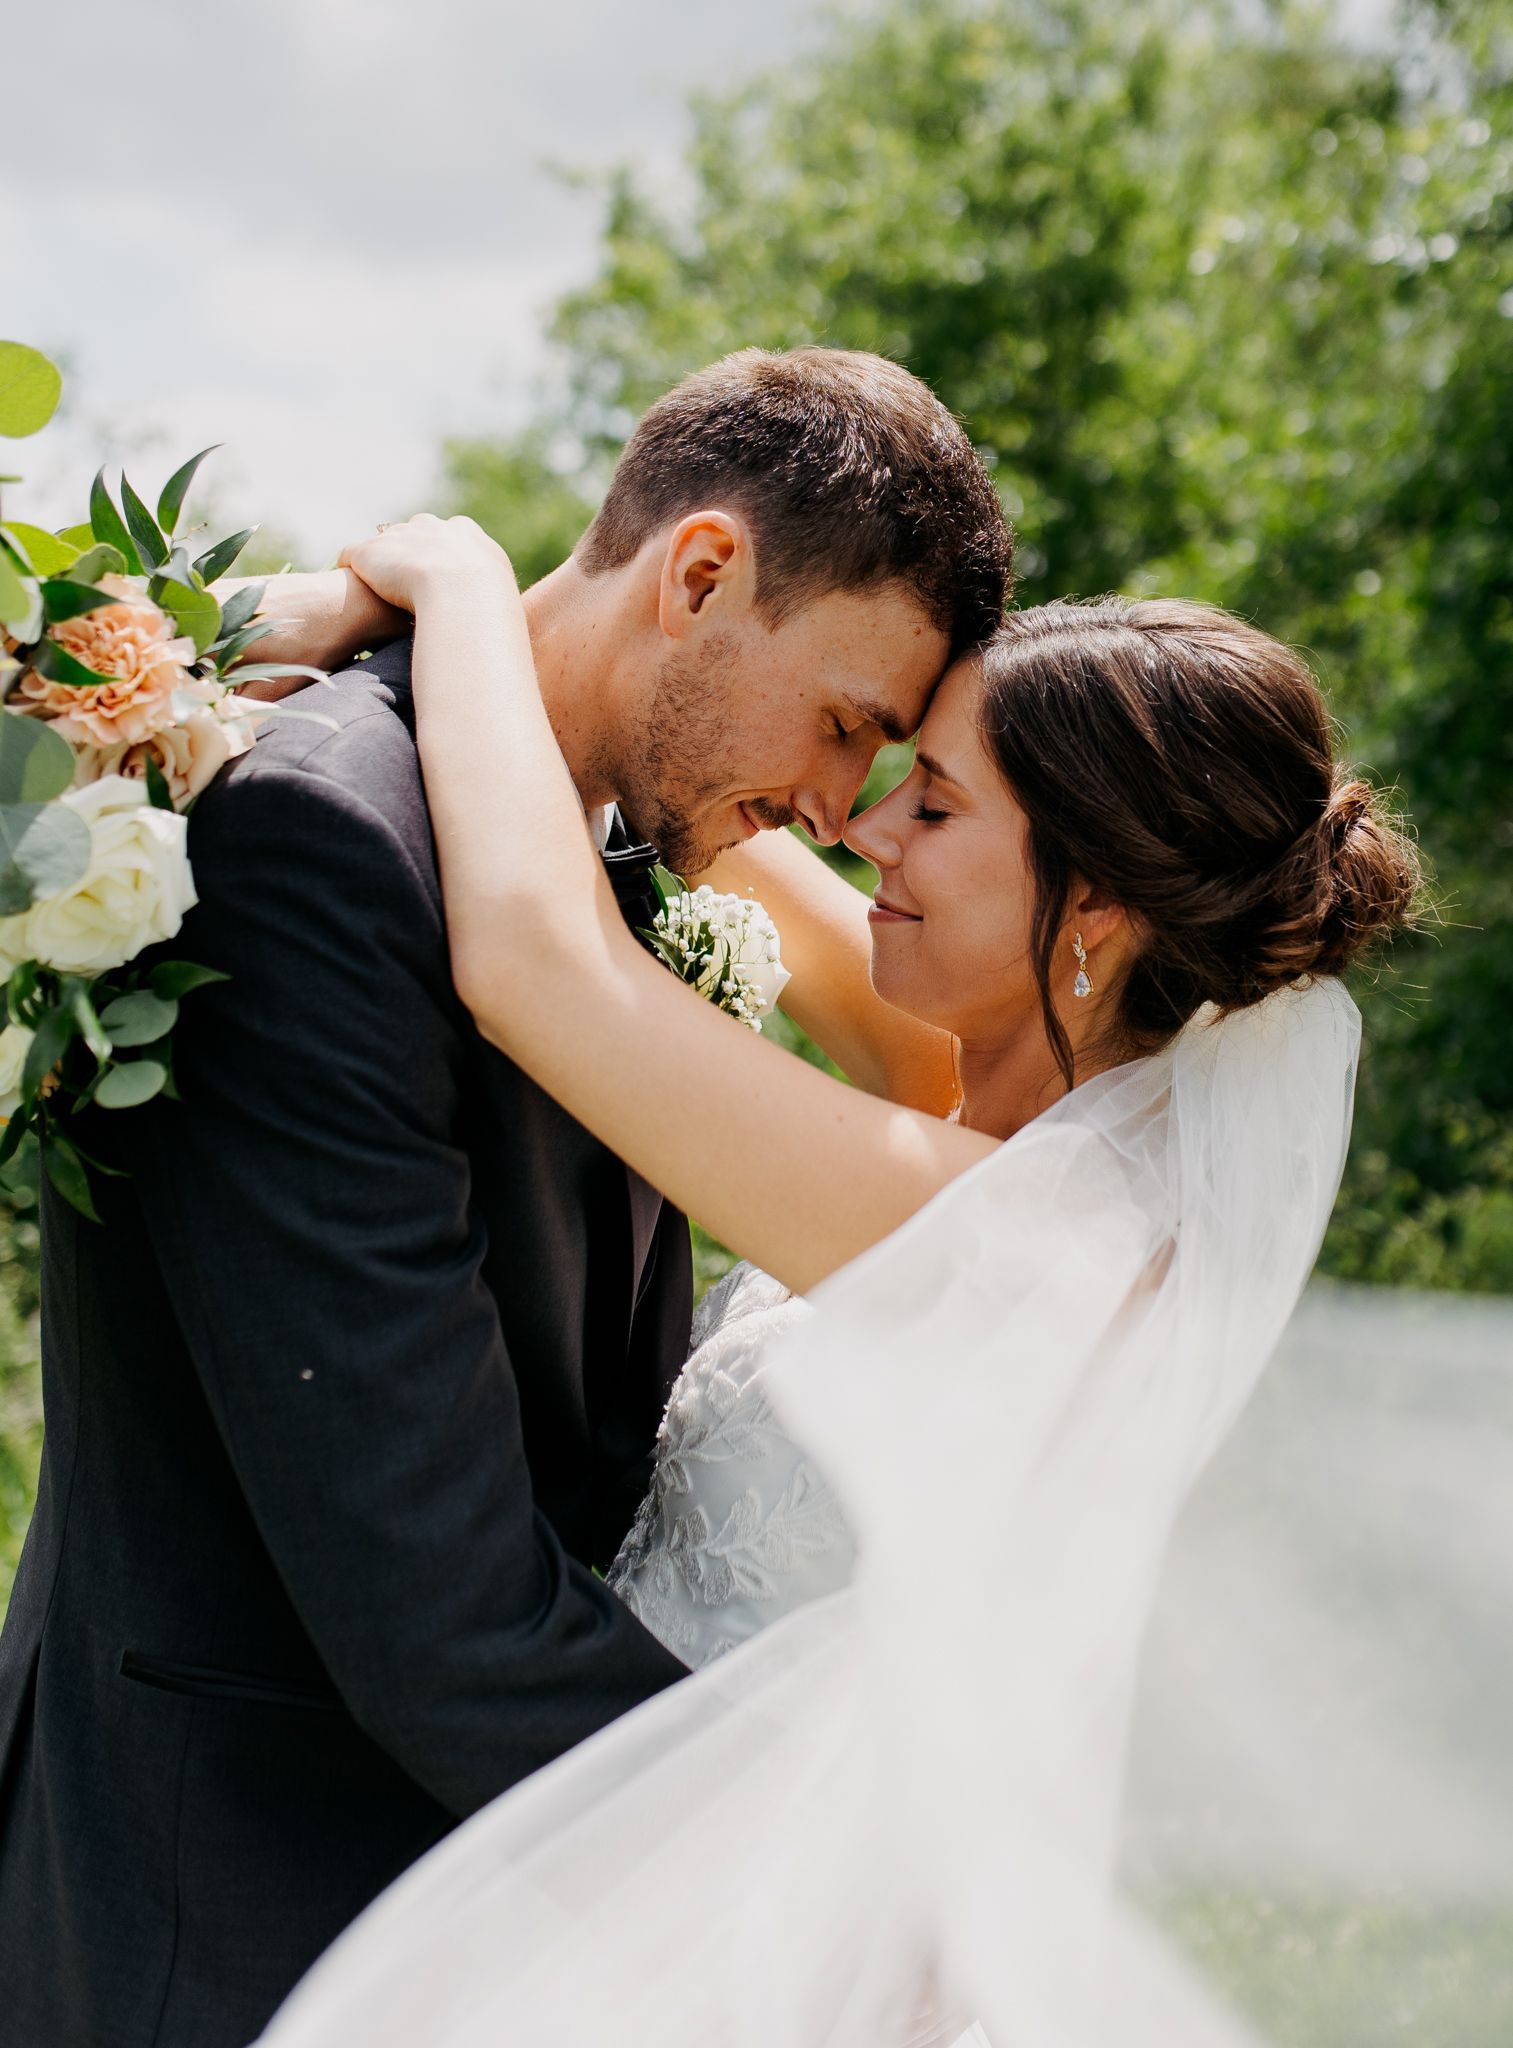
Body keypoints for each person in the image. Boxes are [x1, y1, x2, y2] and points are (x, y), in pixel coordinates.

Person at [253, 516, 1420, 2047]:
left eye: (932, 802)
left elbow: (539, 965)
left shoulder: (1049, 1248)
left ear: (1093, 908)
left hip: (749, 1966)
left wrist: (456, 579)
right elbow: (702, 795)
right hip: (648, 1896)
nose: (863, 829)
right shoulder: (983, 1110)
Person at [0, 349, 1011, 2048]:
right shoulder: (323, 837)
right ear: (700, 574)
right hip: (229, 1915)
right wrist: (822, 1894)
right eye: (846, 725)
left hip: (474, 1909)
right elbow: (436, 1604)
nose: (839, 813)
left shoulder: (592, 860)